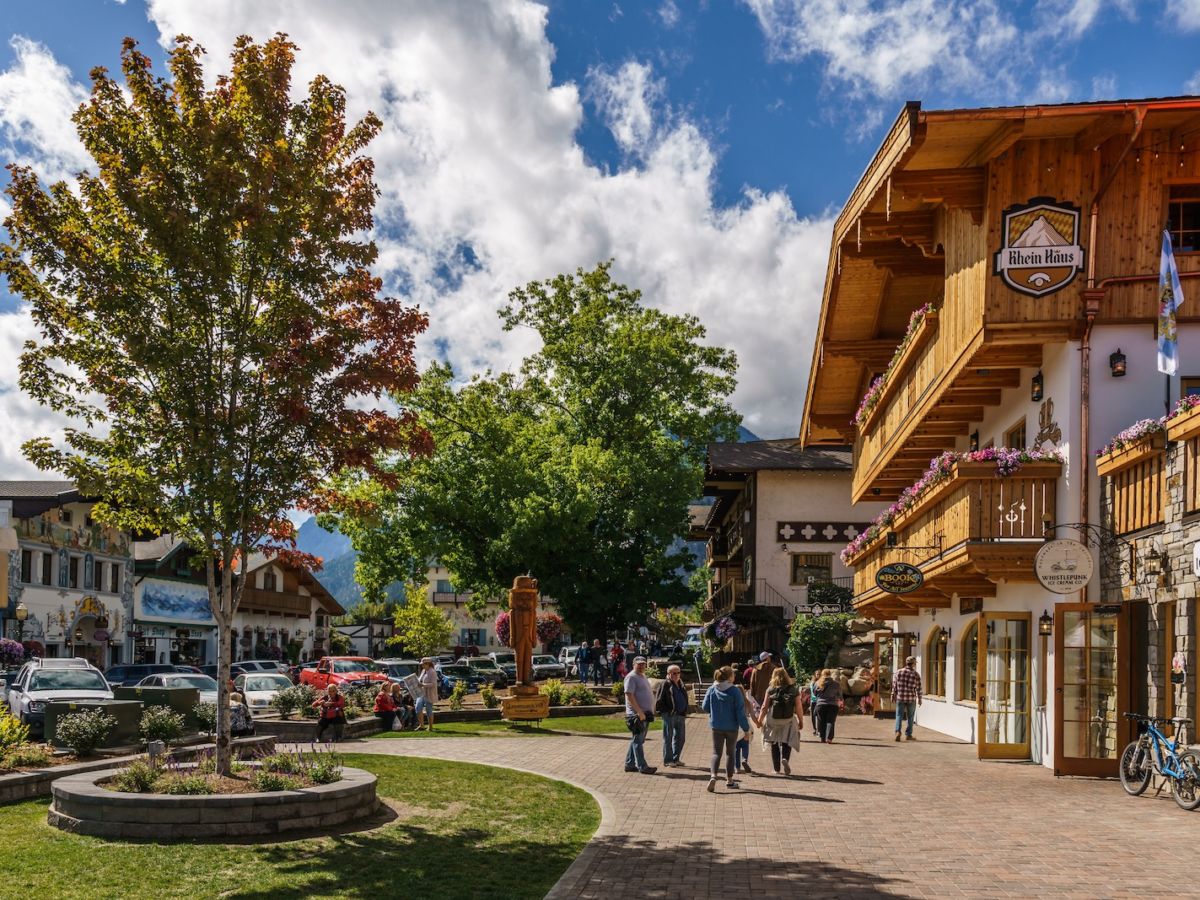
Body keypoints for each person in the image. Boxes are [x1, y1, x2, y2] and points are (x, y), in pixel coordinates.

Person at [702, 666, 751, 792]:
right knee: (730, 753)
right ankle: (729, 781)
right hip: (731, 727)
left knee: (716, 753)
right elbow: (740, 713)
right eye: (733, 674)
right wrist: (746, 729)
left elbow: (704, 706)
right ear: (730, 677)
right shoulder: (734, 691)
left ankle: (713, 776)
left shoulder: (712, 689)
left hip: (716, 726)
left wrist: (714, 712)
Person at [757, 667, 803, 775]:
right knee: (787, 740)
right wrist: (801, 721)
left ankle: (776, 769)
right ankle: (785, 758)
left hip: (773, 719)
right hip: (788, 719)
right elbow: (799, 707)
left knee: (774, 742)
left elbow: (764, 706)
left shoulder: (771, 689)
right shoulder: (793, 689)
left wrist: (759, 720)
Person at [623, 656, 657, 775]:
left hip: (645, 714)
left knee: (637, 740)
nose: (642, 666)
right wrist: (639, 712)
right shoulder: (631, 677)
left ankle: (629, 764)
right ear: (633, 664)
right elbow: (629, 695)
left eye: (643, 664)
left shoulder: (642, 676)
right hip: (636, 715)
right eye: (639, 664)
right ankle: (642, 766)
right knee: (638, 740)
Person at [658, 663, 690, 767]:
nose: (676, 675)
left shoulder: (680, 683)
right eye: (674, 673)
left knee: (680, 738)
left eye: (678, 672)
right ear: (668, 674)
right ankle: (668, 760)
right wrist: (666, 712)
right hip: (669, 715)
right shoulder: (665, 684)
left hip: (680, 715)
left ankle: (676, 759)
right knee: (668, 737)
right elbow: (659, 701)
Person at [892, 655, 923, 742]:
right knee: (910, 716)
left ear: (906, 663)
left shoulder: (898, 672)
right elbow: (919, 688)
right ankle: (908, 734)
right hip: (911, 698)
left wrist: (892, 694)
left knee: (899, 715)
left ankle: (897, 732)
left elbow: (894, 685)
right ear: (913, 664)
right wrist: (920, 698)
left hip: (900, 697)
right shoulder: (916, 674)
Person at [813, 668, 843, 744]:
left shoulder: (817, 683)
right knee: (830, 721)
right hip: (832, 705)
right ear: (830, 674)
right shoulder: (836, 684)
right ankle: (829, 738)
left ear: (822, 674)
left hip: (821, 705)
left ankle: (822, 738)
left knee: (821, 721)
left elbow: (815, 693)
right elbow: (840, 695)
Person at [416, 658, 438, 731]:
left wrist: (423, 685)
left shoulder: (432, 672)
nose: (422, 665)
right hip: (421, 693)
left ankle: (430, 727)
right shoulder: (423, 671)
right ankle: (421, 725)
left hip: (429, 693)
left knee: (429, 710)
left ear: (428, 664)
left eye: (423, 664)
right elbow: (420, 680)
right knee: (418, 707)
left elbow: (433, 684)